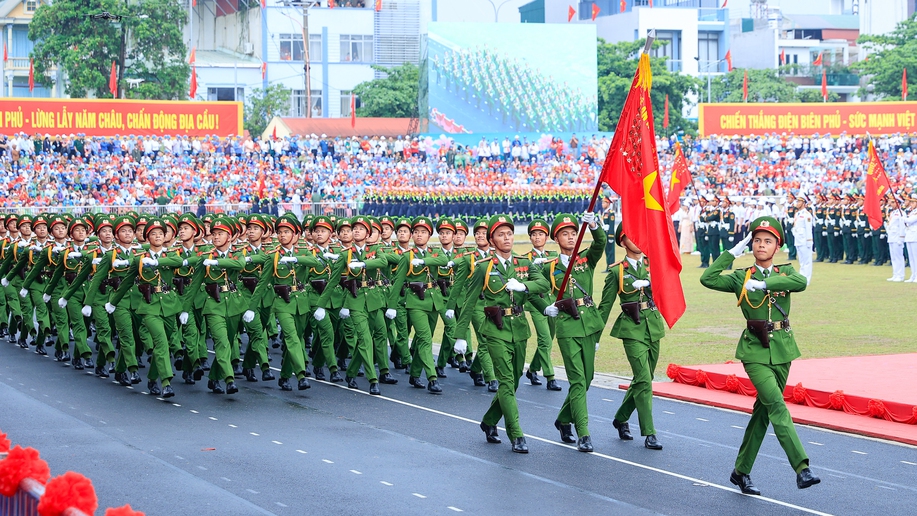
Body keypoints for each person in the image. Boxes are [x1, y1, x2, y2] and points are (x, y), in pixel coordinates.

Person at [700, 217, 821, 496]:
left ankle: (740, 472)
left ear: (777, 246)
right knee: (777, 404)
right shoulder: (741, 277)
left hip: (783, 349)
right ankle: (802, 468)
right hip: (754, 350)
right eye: (757, 240)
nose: (761, 245)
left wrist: (765, 285)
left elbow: (801, 281)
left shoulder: (785, 272)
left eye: (768, 241)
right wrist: (731, 252)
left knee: (763, 413)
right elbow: (707, 278)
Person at [454, 214, 549, 453]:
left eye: (509, 234)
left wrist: (525, 286)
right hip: (495, 330)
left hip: (519, 328)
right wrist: (460, 335)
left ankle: (488, 421)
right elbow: (469, 301)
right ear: (492, 240)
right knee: (506, 381)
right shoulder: (484, 267)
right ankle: (516, 434)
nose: (506, 238)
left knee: (514, 382)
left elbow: (543, 284)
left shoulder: (523, 264)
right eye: (500, 234)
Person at [534, 212, 605, 452]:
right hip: (566, 325)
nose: (571, 237)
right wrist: (544, 308)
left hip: (590, 325)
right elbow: (532, 291)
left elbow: (600, 243)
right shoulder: (547, 267)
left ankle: (563, 419)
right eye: (565, 234)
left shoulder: (585, 259)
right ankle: (583, 433)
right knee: (577, 380)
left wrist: (594, 226)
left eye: (574, 233)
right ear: (556, 238)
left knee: (587, 380)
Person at [598, 223, 666, 451]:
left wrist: (651, 282)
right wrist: (595, 337)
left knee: (643, 378)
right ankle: (649, 433)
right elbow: (605, 306)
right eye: (632, 236)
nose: (638, 240)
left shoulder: (651, 264)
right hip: (631, 327)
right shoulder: (617, 271)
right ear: (622, 241)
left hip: (653, 325)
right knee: (644, 380)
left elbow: (668, 285)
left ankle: (621, 416)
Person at [791, 195, 814, 283]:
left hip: (805, 240)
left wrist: (809, 241)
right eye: (797, 201)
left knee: (807, 261)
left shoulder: (807, 215)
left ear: (804, 203)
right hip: (798, 239)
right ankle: (802, 277)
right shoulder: (797, 214)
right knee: (801, 261)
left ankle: (806, 279)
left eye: (799, 202)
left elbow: (809, 229)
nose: (797, 203)